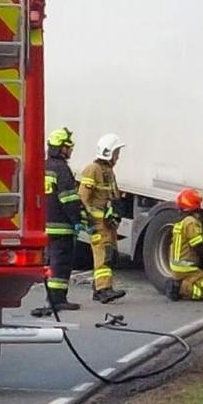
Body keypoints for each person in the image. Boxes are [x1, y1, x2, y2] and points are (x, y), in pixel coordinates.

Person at [32, 127, 82, 318]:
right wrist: (77, 219)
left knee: (53, 261)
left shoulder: (43, 166)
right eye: (67, 147)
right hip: (61, 226)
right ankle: (57, 300)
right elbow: (68, 199)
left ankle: (53, 298)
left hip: (45, 224)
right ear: (60, 148)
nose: (69, 151)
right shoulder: (62, 169)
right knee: (61, 264)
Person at [79, 133, 127, 304]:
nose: (118, 157)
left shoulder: (108, 171)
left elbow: (111, 195)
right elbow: (83, 198)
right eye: (116, 153)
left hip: (108, 223)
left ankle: (99, 288)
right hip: (98, 223)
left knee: (111, 254)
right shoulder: (93, 170)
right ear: (108, 152)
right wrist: (88, 221)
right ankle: (103, 289)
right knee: (103, 255)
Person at [167, 189, 203, 301]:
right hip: (186, 266)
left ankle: (179, 282)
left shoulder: (180, 222)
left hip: (177, 266)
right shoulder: (191, 222)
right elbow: (197, 246)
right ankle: (181, 288)